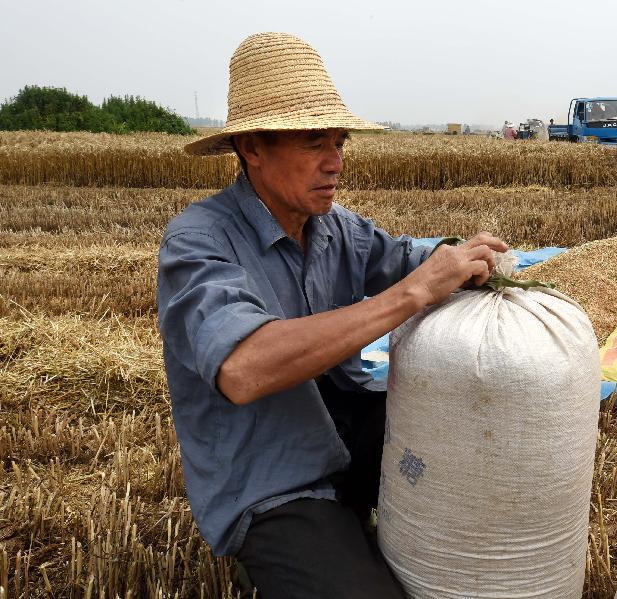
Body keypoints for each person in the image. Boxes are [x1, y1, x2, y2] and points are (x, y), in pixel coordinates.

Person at [157, 32, 508, 598]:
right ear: (252, 148)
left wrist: (464, 258)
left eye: (340, 141)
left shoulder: (334, 228)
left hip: (343, 434)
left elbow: (403, 258)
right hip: (273, 478)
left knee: (472, 458)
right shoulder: (199, 242)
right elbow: (244, 368)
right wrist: (409, 295)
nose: (335, 162)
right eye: (314, 141)